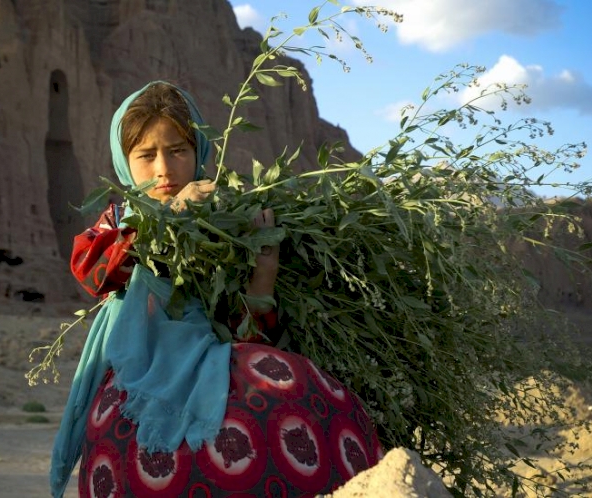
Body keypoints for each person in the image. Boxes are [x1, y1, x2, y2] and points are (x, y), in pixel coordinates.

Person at [50, 81, 383, 498]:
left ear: (201, 151)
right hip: (138, 364)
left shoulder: (227, 213)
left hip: (216, 353)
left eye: (177, 151)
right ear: (124, 161)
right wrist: (167, 218)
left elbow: (245, 326)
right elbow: (91, 271)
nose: (163, 170)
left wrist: (264, 271)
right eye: (146, 155)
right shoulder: (118, 222)